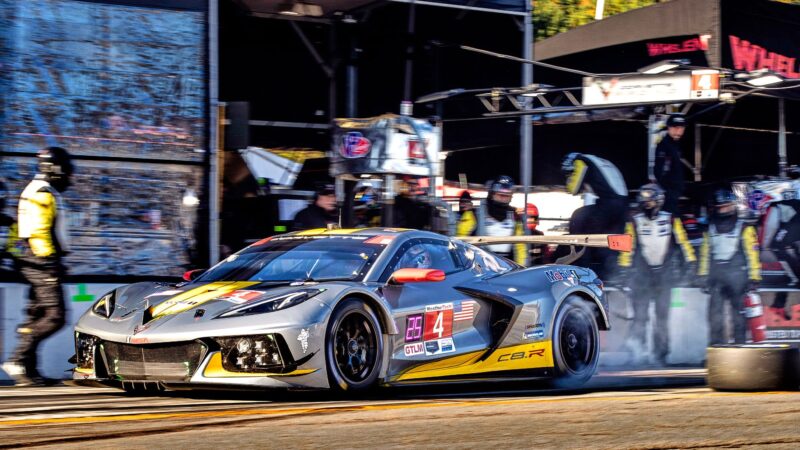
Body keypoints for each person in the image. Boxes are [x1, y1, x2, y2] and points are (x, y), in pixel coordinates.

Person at [2, 147, 73, 386]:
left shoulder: (37, 190)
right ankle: (18, 359)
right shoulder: (42, 192)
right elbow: (39, 232)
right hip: (42, 261)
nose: (69, 177)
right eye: (66, 170)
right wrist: (50, 264)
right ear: (56, 169)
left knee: (39, 314)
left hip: (35, 260)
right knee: (55, 316)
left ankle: (28, 370)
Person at [618, 184, 696, 365]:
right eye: (644, 201)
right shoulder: (634, 221)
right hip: (642, 276)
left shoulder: (670, 220)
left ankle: (661, 355)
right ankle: (637, 352)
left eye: (651, 201)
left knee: (662, 316)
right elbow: (627, 248)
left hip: (664, 275)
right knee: (640, 316)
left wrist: (691, 263)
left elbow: (684, 243)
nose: (647, 204)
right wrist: (623, 269)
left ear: (659, 201)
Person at [697, 188, 761, 345]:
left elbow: (752, 254)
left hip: (738, 276)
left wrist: (754, 277)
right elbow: (705, 253)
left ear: (733, 205)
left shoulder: (745, 227)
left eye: (725, 206)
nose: (722, 209)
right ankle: (716, 348)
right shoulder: (710, 228)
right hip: (717, 276)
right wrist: (702, 275)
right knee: (714, 314)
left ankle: (740, 348)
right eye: (719, 207)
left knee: (738, 316)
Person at [562, 153, 628, 277]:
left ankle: (582, 269)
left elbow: (573, 188)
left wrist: (569, 181)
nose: (570, 174)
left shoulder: (580, 161)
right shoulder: (599, 161)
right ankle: (613, 274)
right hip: (623, 206)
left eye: (570, 172)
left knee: (580, 221)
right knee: (609, 241)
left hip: (609, 203)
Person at [460, 176, 525, 265]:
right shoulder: (473, 214)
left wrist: (521, 268)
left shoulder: (514, 216)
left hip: (508, 266)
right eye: (500, 195)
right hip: (479, 265)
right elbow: (459, 242)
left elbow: (520, 247)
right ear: (492, 194)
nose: (503, 198)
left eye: (507, 195)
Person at [653, 113, 687, 215]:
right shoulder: (664, 145)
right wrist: (668, 191)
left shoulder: (675, 144)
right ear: (669, 128)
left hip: (677, 190)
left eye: (681, 128)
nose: (679, 130)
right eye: (675, 127)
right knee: (673, 218)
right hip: (669, 192)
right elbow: (660, 171)